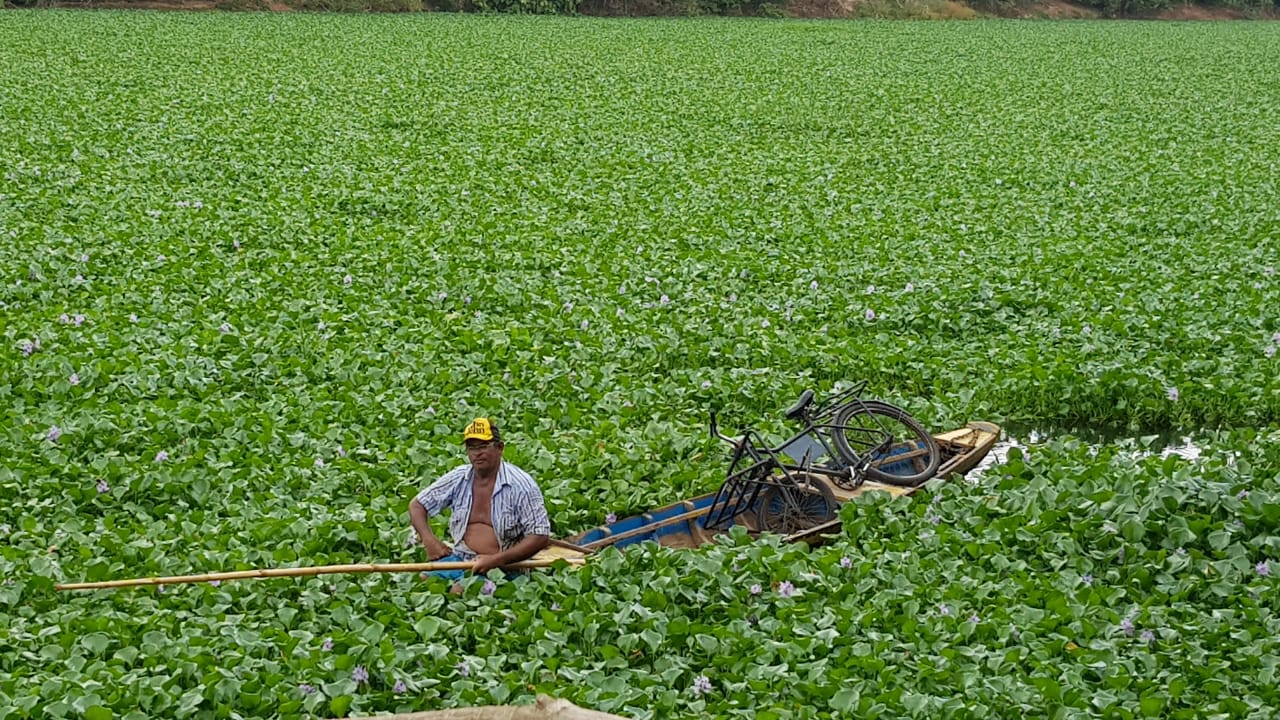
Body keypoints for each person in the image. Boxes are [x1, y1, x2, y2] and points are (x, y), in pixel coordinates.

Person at [408, 418, 551, 581]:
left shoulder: (521, 485)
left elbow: (539, 536)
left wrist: (495, 560)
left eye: (483, 446)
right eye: (472, 448)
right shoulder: (459, 478)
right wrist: (429, 540)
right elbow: (417, 505)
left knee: (461, 590)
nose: (477, 453)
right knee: (424, 581)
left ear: (500, 448)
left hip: (504, 567)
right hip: (460, 560)